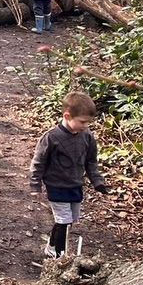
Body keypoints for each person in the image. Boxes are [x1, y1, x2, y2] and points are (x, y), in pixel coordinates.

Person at [29, 91, 107, 259]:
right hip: (56, 186)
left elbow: (91, 161)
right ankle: (60, 255)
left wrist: (97, 181)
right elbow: (38, 162)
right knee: (64, 221)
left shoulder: (87, 136)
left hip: (75, 186)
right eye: (82, 122)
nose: (86, 125)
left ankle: (51, 246)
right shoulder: (51, 137)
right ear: (67, 115)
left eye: (88, 122)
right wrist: (35, 186)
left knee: (69, 219)